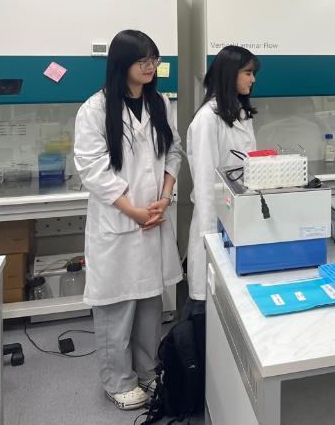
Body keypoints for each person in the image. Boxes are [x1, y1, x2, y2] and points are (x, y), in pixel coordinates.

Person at [73, 29, 182, 411]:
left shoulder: (160, 103)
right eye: (143, 61)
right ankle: (118, 380)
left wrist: (165, 197)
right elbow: (92, 169)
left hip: (153, 217)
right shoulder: (95, 110)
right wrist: (133, 210)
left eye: (154, 59)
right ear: (122, 64)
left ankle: (148, 371)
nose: (151, 67)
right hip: (119, 223)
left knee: (150, 304)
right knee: (116, 308)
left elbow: (173, 153)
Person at [186, 45, 258, 304]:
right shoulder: (208, 119)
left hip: (239, 214)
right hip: (216, 220)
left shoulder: (240, 113)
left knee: (236, 298)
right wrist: (210, 238)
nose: (253, 79)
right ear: (230, 74)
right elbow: (205, 181)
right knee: (211, 302)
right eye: (247, 73)